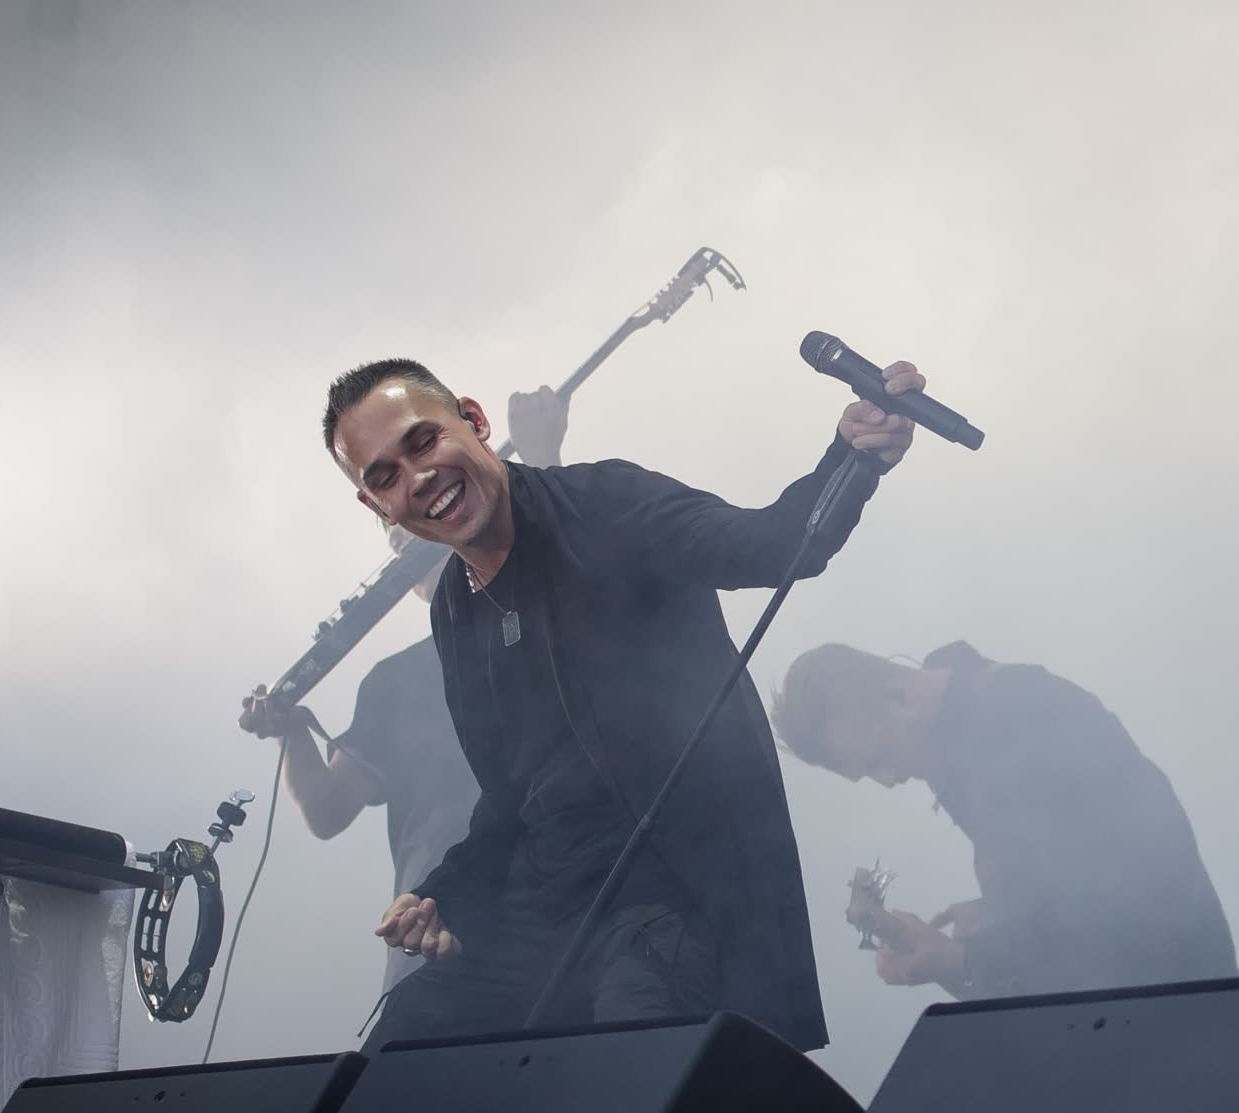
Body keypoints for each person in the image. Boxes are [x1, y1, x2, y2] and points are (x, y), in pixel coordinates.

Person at [323, 356, 925, 1051]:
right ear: (376, 507)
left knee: (624, 1072)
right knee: (399, 1053)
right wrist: (442, 896)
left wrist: (852, 456)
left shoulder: (606, 504)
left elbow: (773, 544)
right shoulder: (455, 610)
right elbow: (507, 803)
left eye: (423, 442)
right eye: (385, 476)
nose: (417, 476)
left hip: (674, 899)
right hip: (542, 915)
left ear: (475, 421)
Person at [238, 388, 568, 1001]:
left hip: (570, 905)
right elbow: (330, 809)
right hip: (439, 926)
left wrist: (542, 464)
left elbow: (566, 590)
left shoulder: (542, 618)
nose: (416, 554)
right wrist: (290, 734)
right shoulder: (396, 681)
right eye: (401, 548)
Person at [770, 640, 1237, 998]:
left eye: (878, 758)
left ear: (898, 697)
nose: (889, 779)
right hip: (1145, 1013)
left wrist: (963, 962)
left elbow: (1121, 913)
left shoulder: (1022, 719)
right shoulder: (966, 748)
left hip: (1181, 1009)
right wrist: (997, 915)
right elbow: (1070, 885)